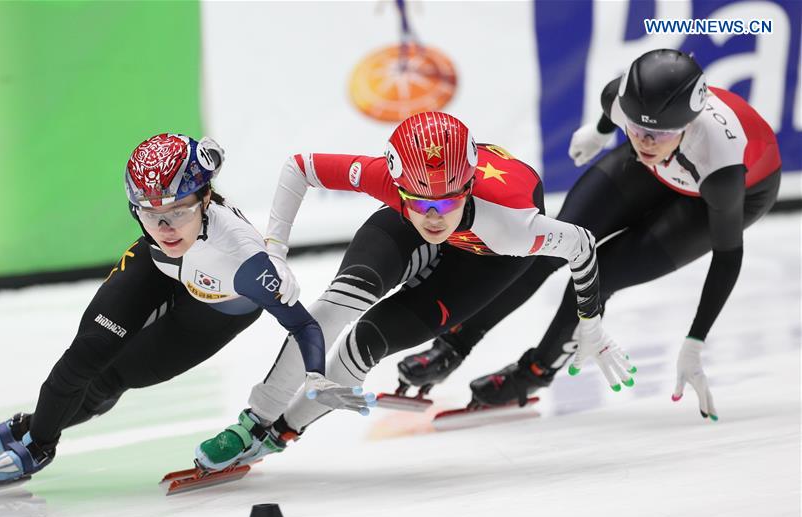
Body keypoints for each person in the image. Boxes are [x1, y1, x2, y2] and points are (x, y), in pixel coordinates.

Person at [195, 111, 635, 470]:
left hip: (485, 256)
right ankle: (252, 423)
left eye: (447, 203)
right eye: (422, 203)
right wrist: (274, 251)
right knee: (334, 307)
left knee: (365, 343)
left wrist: (590, 325)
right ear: (397, 184)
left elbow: (582, 245)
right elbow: (299, 167)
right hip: (406, 222)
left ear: (468, 187)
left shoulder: (513, 226)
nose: (434, 217)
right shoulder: (388, 180)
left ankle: (281, 432)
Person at [0, 133, 361, 490]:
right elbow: (166, 220)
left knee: (116, 378)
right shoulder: (159, 232)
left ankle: (31, 429)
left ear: (206, 198)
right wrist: (42, 436)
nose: (165, 228)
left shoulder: (247, 263)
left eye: (178, 211)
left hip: (218, 308)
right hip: (158, 268)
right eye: (150, 214)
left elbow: (304, 325)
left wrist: (314, 375)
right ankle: (37, 442)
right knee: (87, 355)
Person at [398, 49, 781, 421]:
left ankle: (535, 372)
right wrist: (599, 133)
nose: (646, 141)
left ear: (688, 123)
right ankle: (452, 345)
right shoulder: (624, 102)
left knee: (603, 274)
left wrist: (695, 342)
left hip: (724, 195)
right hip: (659, 168)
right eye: (637, 128)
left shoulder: (721, 165)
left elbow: (728, 258)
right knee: (547, 246)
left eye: (658, 133)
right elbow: (624, 117)